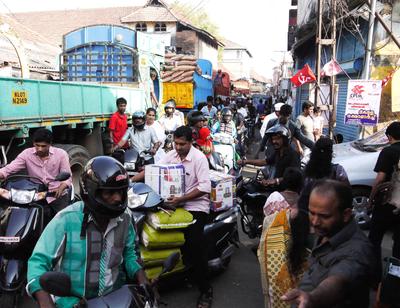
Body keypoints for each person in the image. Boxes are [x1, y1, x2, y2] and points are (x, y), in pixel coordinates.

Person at [27, 156, 148, 308]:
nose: (117, 198)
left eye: (120, 192)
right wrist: (45, 301)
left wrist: (142, 278)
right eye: (109, 193)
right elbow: (38, 263)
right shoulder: (66, 219)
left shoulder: (126, 217)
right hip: (74, 302)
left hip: (117, 299)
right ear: (90, 191)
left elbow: (130, 254)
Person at [131, 126, 213, 308]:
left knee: (194, 244)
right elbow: (153, 169)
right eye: (176, 143)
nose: (178, 147)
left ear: (190, 142)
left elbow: (205, 187)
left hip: (195, 206)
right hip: (172, 204)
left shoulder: (199, 159)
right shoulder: (172, 155)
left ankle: (206, 290)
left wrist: (182, 199)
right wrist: (131, 180)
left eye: (182, 144)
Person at [282, 180, 377, 308]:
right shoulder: (329, 230)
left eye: (324, 216)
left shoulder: (357, 252)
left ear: (346, 214)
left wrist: (312, 298)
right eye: (312, 213)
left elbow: (338, 281)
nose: (315, 222)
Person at [258, 167, 309, 308]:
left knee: (275, 281)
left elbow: (266, 220)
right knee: (295, 277)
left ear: (284, 182)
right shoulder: (303, 202)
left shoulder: (274, 197)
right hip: (297, 246)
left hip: (276, 249)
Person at [0, 128, 72, 221]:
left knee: (62, 222)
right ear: (33, 143)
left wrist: (62, 186)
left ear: (50, 144)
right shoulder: (26, 154)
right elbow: (9, 169)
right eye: (37, 145)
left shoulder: (61, 154)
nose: (40, 149)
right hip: (35, 194)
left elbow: (67, 176)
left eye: (43, 146)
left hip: (55, 194)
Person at [368, 121, 400, 260]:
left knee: (374, 238)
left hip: (386, 202)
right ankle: (394, 274)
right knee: (398, 243)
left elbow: (380, 179)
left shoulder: (388, 152)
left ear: (389, 136)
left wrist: (371, 198)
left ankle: (374, 274)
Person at [297, 137, 349, 212]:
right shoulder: (338, 170)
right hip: (330, 213)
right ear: (330, 154)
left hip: (308, 213)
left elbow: (301, 195)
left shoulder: (307, 172)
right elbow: (346, 194)